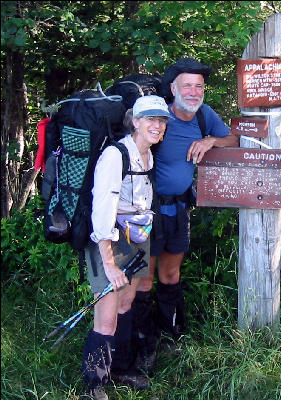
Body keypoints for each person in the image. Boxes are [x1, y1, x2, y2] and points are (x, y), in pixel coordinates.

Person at [132, 58, 238, 353]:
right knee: (144, 278)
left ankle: (171, 335)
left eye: (199, 86)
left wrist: (210, 141)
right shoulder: (158, 117)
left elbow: (233, 137)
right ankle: (143, 343)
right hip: (147, 210)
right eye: (187, 85)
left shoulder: (204, 116)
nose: (193, 91)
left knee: (170, 275)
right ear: (173, 88)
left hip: (179, 210)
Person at [81, 95, 172, 400]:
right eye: (150, 120)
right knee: (106, 315)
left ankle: (119, 368)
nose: (157, 126)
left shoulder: (148, 155)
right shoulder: (115, 155)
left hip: (136, 238)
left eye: (161, 121)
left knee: (126, 303)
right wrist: (109, 262)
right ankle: (94, 386)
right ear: (135, 122)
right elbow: (102, 214)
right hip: (109, 242)